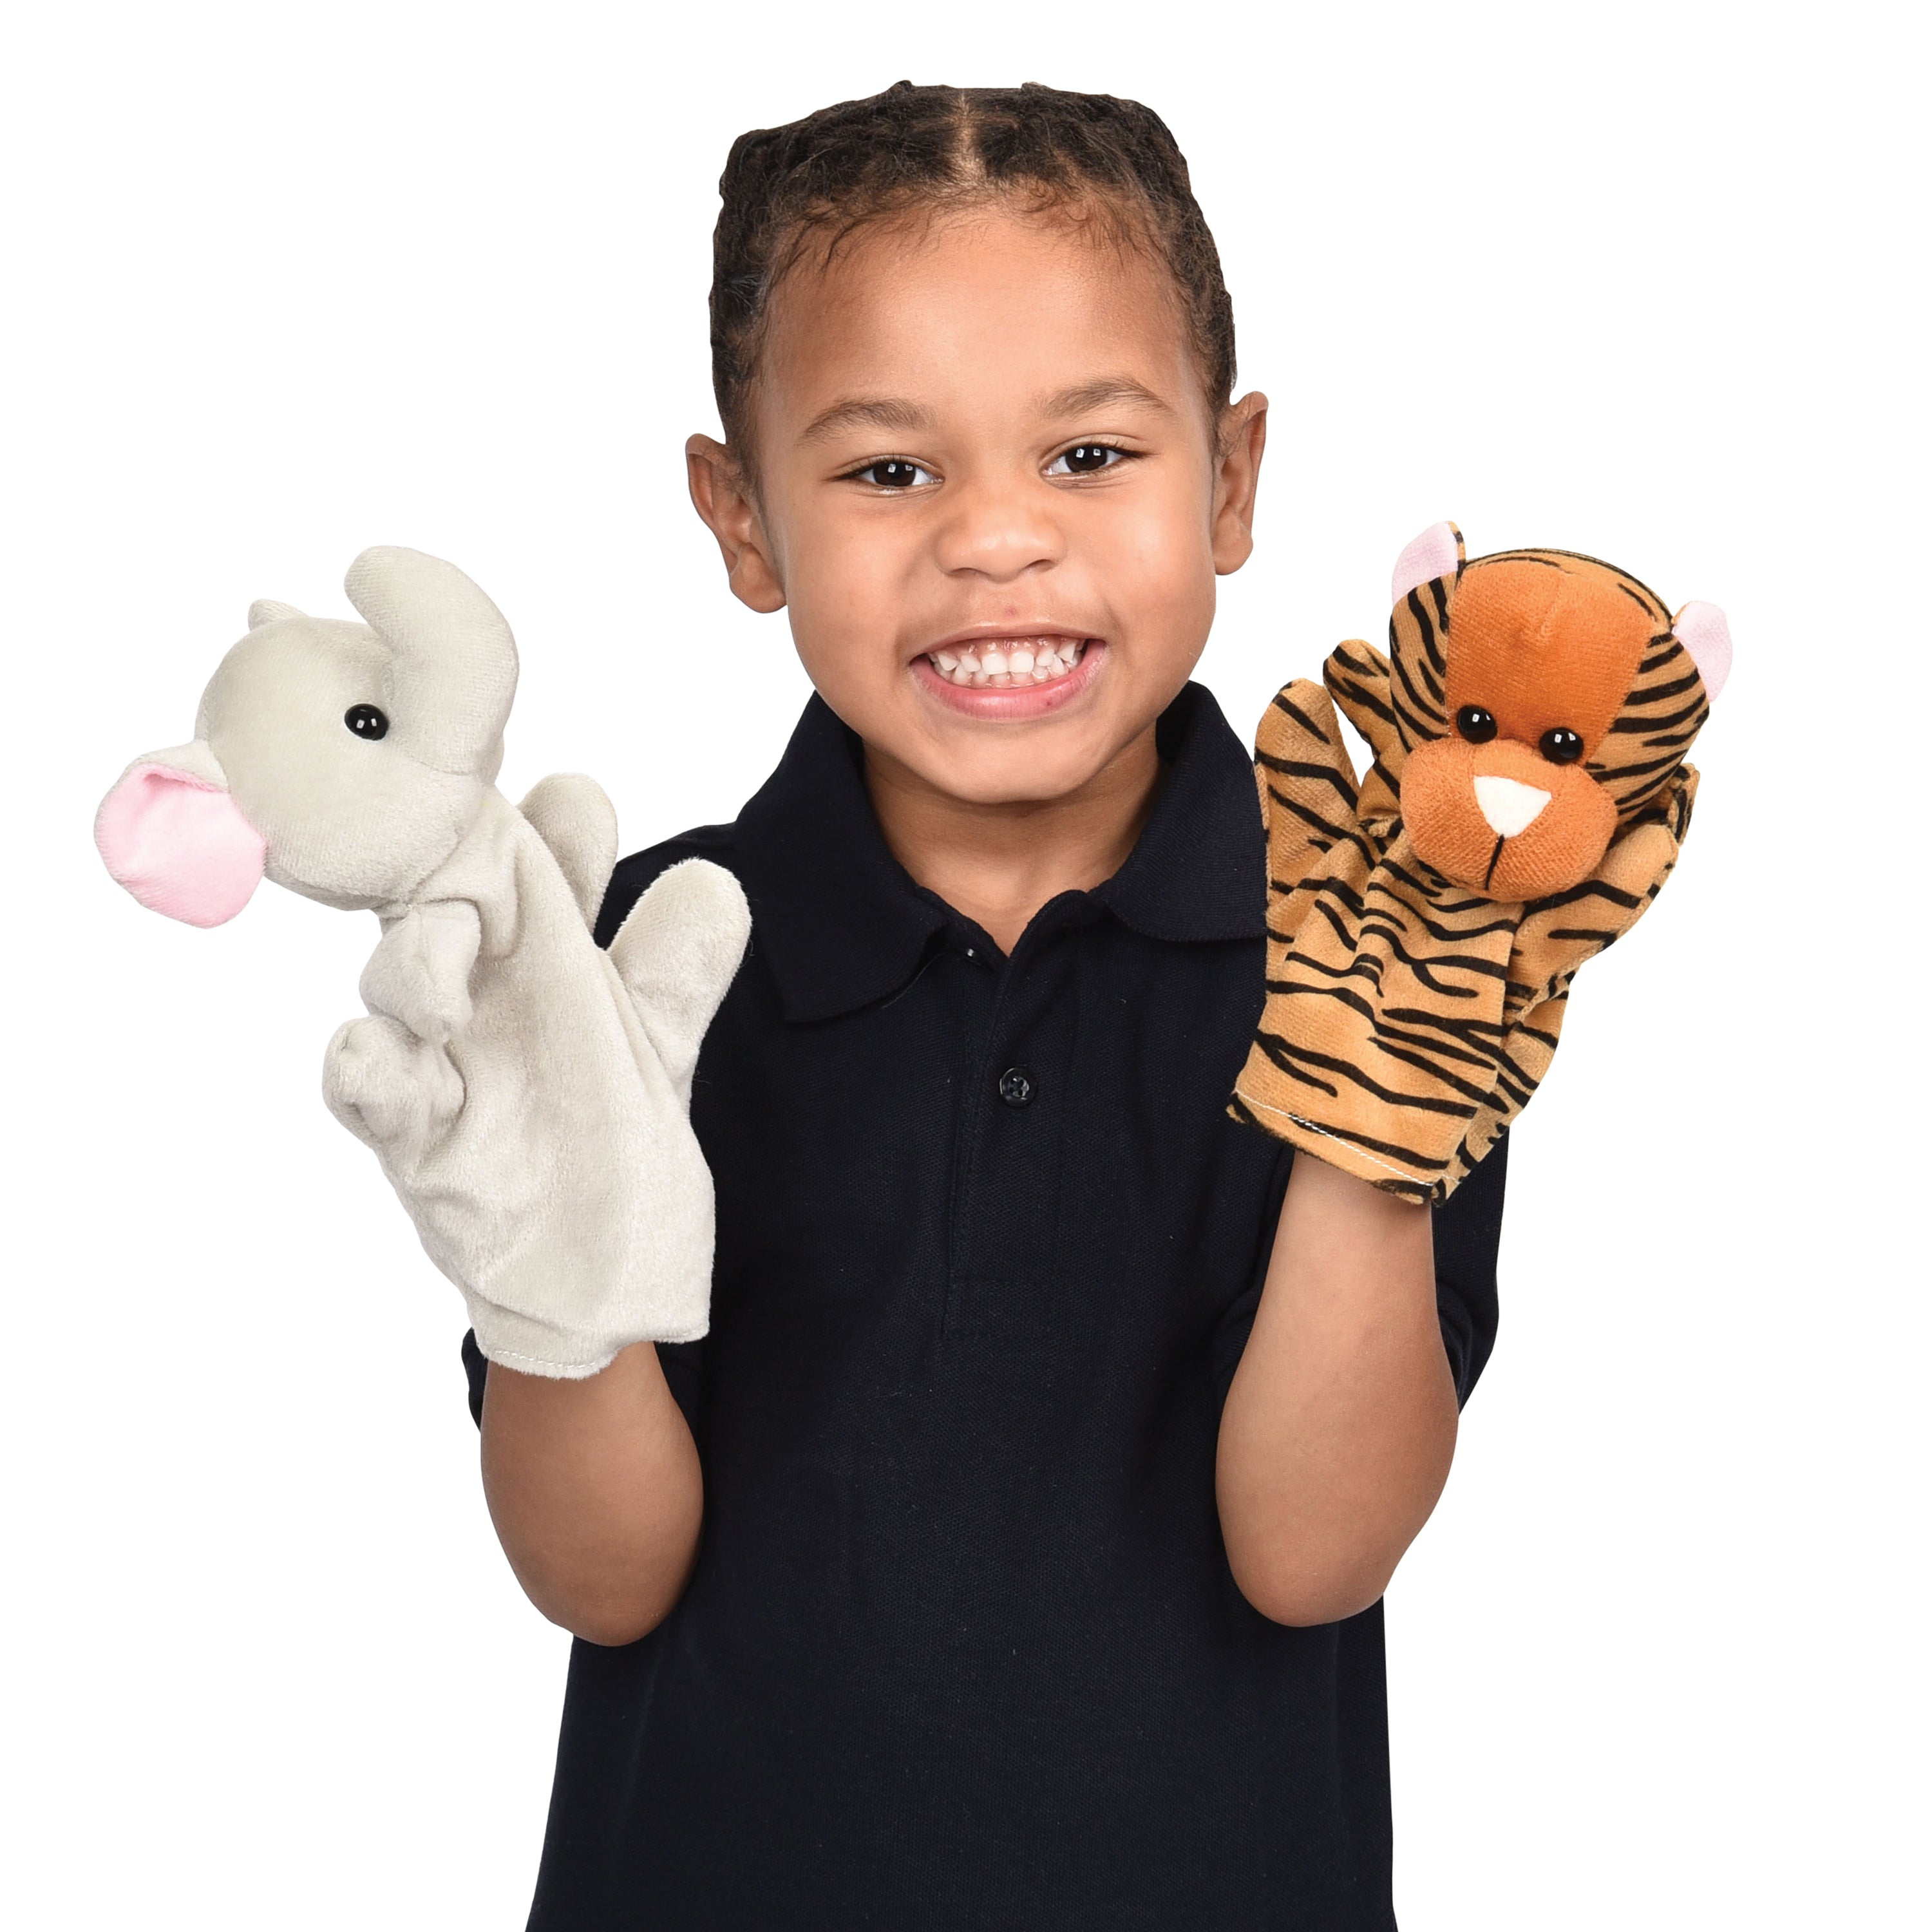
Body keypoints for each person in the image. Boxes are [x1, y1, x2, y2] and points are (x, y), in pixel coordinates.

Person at [468, 80, 1507, 1929]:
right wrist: (552, 1283)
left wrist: (1377, 1078)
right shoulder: (655, 946)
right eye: (889, 469)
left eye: (1091, 456)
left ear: (1235, 476)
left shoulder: (1374, 945)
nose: (997, 540)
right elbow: (602, 1578)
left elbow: (1314, 1555)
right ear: (741, 517)